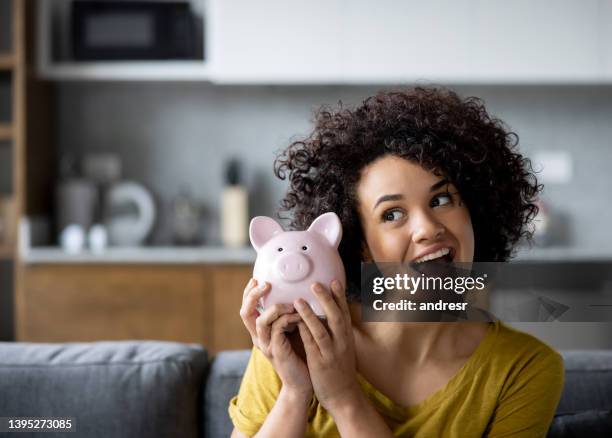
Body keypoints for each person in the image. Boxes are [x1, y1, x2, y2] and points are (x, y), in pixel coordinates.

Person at [229, 87, 564, 437]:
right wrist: (296, 392)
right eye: (392, 214)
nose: (428, 228)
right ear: (360, 244)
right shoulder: (301, 337)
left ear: (475, 211)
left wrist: (344, 398)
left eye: (441, 199)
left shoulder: (525, 368)